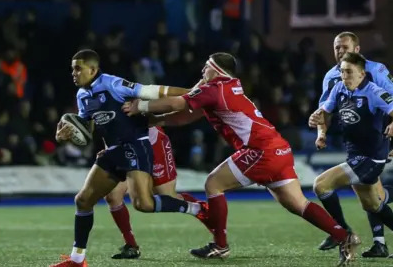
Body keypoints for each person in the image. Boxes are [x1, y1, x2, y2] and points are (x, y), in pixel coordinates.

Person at [123, 52, 361, 266]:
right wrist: (156, 120)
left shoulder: (214, 87)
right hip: (278, 149)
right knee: (298, 204)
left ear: (215, 69)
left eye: (205, 67)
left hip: (260, 151)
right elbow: (185, 116)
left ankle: (220, 244)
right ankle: (344, 237)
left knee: (213, 184)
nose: (202, 71)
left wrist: (140, 106)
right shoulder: (228, 86)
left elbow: (178, 103)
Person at [50, 49, 207, 267]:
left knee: (143, 203)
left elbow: (154, 90)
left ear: (93, 69)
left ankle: (197, 208)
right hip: (113, 150)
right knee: (83, 200)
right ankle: (77, 260)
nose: (73, 73)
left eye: (78, 68)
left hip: (135, 145)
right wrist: (64, 136)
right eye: (72, 69)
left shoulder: (112, 84)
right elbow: (90, 128)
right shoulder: (82, 96)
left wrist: (192, 93)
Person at [310, 31, 393, 257]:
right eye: (336, 48)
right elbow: (324, 111)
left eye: (344, 47)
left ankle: (342, 233)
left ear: (358, 53)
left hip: (373, 151)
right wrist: (319, 128)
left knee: (321, 185)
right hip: (354, 149)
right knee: (373, 203)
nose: (340, 52)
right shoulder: (335, 81)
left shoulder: (375, 80)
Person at [104, 125, 211, 259]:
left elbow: (155, 116)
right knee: (112, 195)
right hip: (124, 149)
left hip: (152, 144)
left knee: (168, 197)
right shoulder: (88, 105)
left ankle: (213, 224)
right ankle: (131, 246)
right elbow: (105, 124)